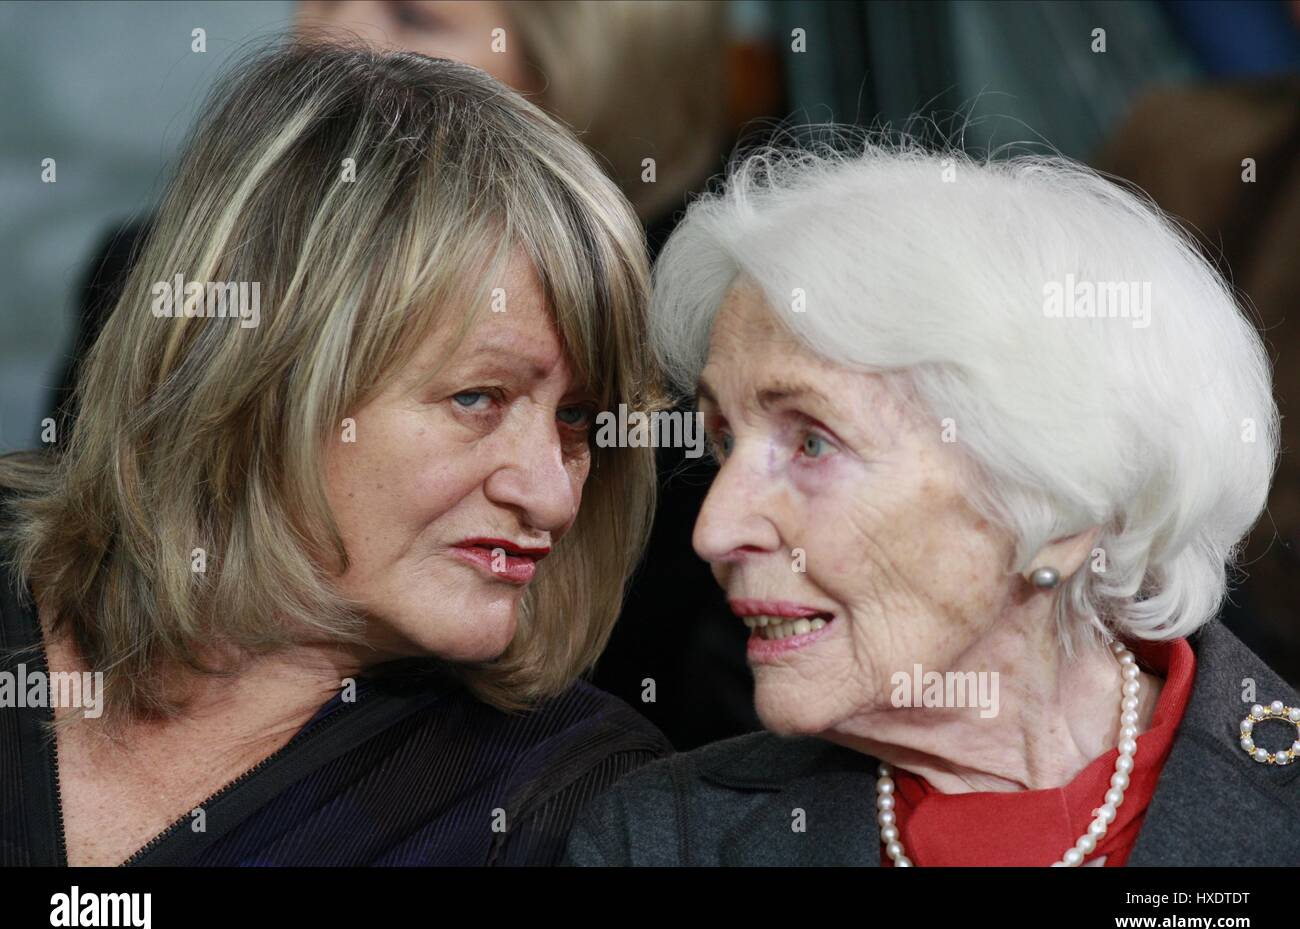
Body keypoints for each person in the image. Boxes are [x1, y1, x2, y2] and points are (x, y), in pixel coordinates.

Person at [0, 41, 669, 867]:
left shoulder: (568, 803)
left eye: (577, 418)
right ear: (264, 373)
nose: (552, 496)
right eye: (477, 399)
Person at [564, 138, 1300, 866]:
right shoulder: (662, 838)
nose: (717, 529)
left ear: (1058, 511)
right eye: (725, 442)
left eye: (814, 444)